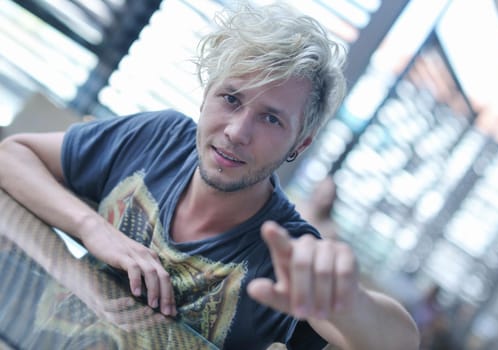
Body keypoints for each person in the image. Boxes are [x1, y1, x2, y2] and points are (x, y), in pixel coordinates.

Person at [0, 3, 418, 350]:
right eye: (231, 98)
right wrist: (92, 230)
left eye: (271, 119)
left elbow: (399, 343)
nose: (237, 131)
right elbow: (11, 155)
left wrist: (349, 304)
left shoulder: (285, 253)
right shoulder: (157, 138)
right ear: (205, 94)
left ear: (300, 145)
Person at [294, 176, 340, 240]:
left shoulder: (330, 231)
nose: (320, 198)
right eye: (319, 192)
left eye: (325, 196)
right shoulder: (297, 209)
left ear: (332, 201)